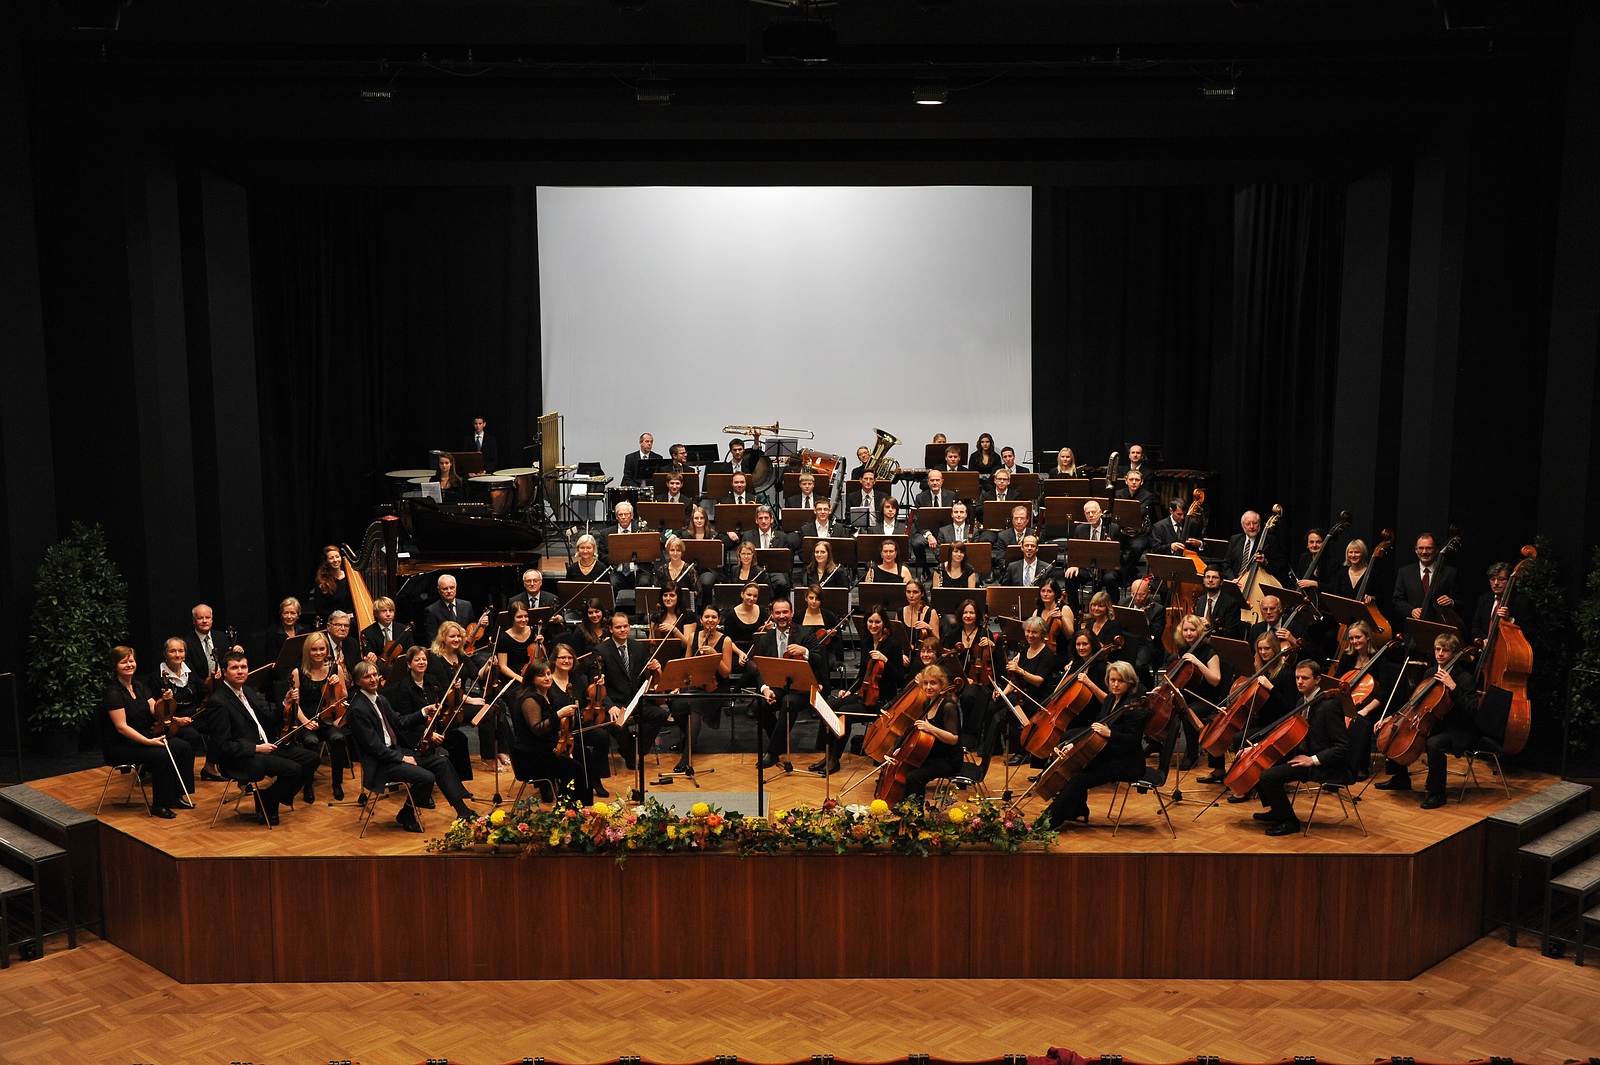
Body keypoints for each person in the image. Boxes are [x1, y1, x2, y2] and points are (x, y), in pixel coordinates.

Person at [348, 659, 475, 829]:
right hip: (381, 763)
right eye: (367, 677)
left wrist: (423, 712)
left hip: (395, 752)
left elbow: (400, 722)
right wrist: (401, 758)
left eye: (375, 675)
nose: (373, 679)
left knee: (441, 762)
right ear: (358, 682)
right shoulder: (358, 709)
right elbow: (373, 747)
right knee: (426, 777)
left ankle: (462, 810)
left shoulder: (380, 699)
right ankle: (407, 813)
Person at [206, 650, 318, 826]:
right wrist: (256, 748)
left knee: (311, 759)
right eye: (234, 668)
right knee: (293, 769)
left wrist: (285, 703)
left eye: (243, 667)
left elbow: (268, 721)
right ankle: (271, 801)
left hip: (265, 746)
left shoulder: (248, 691)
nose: (240, 671)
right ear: (225, 672)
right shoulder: (218, 701)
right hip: (243, 756)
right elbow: (222, 746)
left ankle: (268, 797)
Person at [1246, 659, 1351, 836]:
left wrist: (1312, 760)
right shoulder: (1301, 700)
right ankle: (1278, 810)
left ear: (1317, 679)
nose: (1299, 682)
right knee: (1259, 764)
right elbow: (1285, 734)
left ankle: (1289, 822)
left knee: (1268, 776)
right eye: (1297, 678)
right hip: (1301, 754)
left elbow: (1342, 746)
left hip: (1323, 764)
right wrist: (1256, 747)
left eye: (1305, 678)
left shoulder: (1329, 706)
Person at [1373, 632, 1477, 808]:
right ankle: (1401, 778)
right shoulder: (1430, 673)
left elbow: (1471, 711)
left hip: (1456, 728)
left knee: (1434, 744)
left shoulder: (1465, 679)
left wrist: (1453, 687)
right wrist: (1393, 717)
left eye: (1445, 650)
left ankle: (1437, 793)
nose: (1440, 654)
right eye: (1437, 649)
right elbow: (1413, 702)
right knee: (1394, 730)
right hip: (1431, 722)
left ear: (1454, 654)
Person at [1042, 660, 1149, 828]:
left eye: (1120, 681)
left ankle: (1048, 822)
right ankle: (1077, 809)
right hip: (1108, 754)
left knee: (1079, 778)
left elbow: (1134, 740)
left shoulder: (1133, 708)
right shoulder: (1110, 700)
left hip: (1126, 762)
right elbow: (1095, 728)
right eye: (1112, 680)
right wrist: (1075, 745)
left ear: (1130, 682)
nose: (1115, 684)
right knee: (1075, 766)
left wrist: (1110, 734)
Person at [97, 646, 194, 818]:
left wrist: (165, 701)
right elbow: (121, 727)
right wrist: (148, 742)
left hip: (145, 736)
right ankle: (160, 804)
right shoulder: (113, 693)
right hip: (121, 745)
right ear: (115, 666)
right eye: (123, 662)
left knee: (183, 747)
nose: (129, 665)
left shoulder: (139, 686)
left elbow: (155, 710)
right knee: (161, 755)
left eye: (131, 661)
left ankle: (176, 795)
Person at [825, 607, 908, 773]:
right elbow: (862, 675)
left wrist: (886, 661)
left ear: (884, 623)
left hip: (883, 701)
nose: (874, 625)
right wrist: (849, 691)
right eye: (871, 621)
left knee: (845, 714)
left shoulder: (893, 645)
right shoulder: (866, 642)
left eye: (877, 622)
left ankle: (835, 759)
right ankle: (828, 755)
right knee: (830, 706)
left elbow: (900, 680)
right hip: (865, 694)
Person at [508, 660, 592, 808]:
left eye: (548, 674)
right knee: (574, 769)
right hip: (531, 756)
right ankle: (565, 810)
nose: (547, 678)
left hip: (545, 748)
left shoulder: (547, 695)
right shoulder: (530, 699)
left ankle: (582, 806)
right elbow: (538, 729)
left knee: (584, 754)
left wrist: (565, 748)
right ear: (532, 679)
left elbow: (553, 729)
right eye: (541, 675)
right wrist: (559, 714)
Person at [751, 597, 822, 771]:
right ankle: (780, 742)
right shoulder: (766, 639)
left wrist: (805, 651)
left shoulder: (805, 633)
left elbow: (820, 660)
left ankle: (773, 751)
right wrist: (765, 689)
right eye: (778, 613)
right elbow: (760, 669)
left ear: (791, 613)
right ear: (772, 615)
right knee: (758, 705)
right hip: (778, 686)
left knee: (788, 703)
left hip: (802, 688)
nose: (782, 616)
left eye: (785, 612)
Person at [879, 664, 964, 805]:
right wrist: (903, 749)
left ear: (942, 685)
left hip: (948, 759)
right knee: (905, 767)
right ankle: (903, 808)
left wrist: (930, 728)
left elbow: (953, 739)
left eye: (933, 683)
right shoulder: (928, 703)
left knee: (914, 777)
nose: (928, 687)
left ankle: (916, 813)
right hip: (933, 753)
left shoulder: (948, 706)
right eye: (925, 683)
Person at [284, 630, 351, 802]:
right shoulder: (298, 672)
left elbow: (344, 696)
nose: (318, 653)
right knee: (310, 741)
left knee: (338, 738)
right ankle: (307, 785)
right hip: (306, 719)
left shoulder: (335, 669)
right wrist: (305, 722)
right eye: (314, 649)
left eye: (322, 649)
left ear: (327, 650)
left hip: (328, 718)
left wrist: (338, 684)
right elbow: (295, 704)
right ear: (307, 651)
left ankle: (337, 783)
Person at [597, 610, 668, 772]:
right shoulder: (601, 651)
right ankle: (631, 754)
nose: (623, 630)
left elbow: (644, 673)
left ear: (629, 627)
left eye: (625, 626)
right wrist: (609, 706)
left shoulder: (637, 646)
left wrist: (653, 666)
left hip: (637, 700)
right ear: (611, 629)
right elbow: (597, 684)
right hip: (615, 703)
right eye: (618, 627)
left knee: (660, 714)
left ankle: (634, 750)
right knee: (617, 725)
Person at [1165, 615, 1225, 772]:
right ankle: (1163, 750)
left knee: (1188, 715)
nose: (1188, 633)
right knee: (1170, 713)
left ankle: (1192, 755)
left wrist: (1197, 662)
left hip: (1207, 697)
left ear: (1199, 631)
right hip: (1189, 694)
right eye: (1185, 630)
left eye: (1192, 629)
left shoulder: (1210, 652)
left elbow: (1216, 680)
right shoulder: (1184, 649)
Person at [1002, 616, 1062, 764]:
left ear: (1042, 634)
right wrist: (1002, 692)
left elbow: (1038, 681)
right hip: (1024, 693)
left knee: (1013, 710)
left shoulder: (1047, 655)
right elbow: (1015, 680)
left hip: (1039, 697)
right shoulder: (1024, 650)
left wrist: (1020, 670)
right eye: (1028, 631)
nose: (1030, 635)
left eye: (1034, 632)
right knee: (997, 706)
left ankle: (1022, 752)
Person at [1064, 499, 1122, 602]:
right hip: (1087, 567)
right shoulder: (1080, 529)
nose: (1091, 515)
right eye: (1088, 513)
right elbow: (1075, 551)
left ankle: (1113, 608)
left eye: (1093, 512)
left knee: (1110, 579)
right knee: (1070, 576)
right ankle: (1075, 610)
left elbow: (1120, 552)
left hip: (1107, 567)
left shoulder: (1113, 528)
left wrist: (1110, 547)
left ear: (1100, 512)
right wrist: (1075, 565)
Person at [1392, 532, 1458, 621]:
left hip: (1440, 625)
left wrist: (1451, 602)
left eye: (1429, 548)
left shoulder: (1450, 573)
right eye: (1421, 548)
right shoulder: (1404, 572)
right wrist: (1411, 611)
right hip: (1414, 626)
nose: (1424, 552)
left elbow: (1460, 601)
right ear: (1416, 550)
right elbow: (1397, 600)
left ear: (1437, 550)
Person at [1472, 562, 1534, 644]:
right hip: (1486, 648)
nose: (1496, 583)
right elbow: (1475, 626)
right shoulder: (1484, 599)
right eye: (1492, 579)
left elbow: (1530, 631)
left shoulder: (1521, 601)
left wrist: (1510, 619)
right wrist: (1484, 640)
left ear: (1509, 581)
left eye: (1501, 579)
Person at [1120, 577, 1166, 686]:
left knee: (1139, 666)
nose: (1138, 598)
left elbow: (1158, 633)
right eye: (1134, 594)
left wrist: (1147, 621)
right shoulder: (1123, 603)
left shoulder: (1158, 609)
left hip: (1147, 643)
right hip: (1128, 641)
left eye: (1142, 595)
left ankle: (1146, 687)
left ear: (1148, 593)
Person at [741, 506, 794, 599]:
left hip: (775, 570)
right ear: (756, 520)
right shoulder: (747, 536)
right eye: (760, 518)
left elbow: (787, 560)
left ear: (772, 520)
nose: (763, 521)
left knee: (781, 582)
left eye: (766, 518)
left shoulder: (782, 537)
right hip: (754, 570)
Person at [1223, 510, 1288, 585]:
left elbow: (1281, 565)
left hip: (1256, 584)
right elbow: (1226, 564)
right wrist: (1232, 579)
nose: (1251, 527)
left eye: (1255, 523)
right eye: (1248, 524)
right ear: (1242, 525)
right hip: (1236, 583)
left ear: (1259, 523)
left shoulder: (1269, 540)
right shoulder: (1235, 539)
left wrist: (1266, 562)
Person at [601, 501, 653, 595]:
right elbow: (601, 555)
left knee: (644, 583)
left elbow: (650, 552)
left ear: (632, 516)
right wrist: (617, 558)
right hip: (617, 572)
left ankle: (641, 605)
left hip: (639, 571)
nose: (623, 517)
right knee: (611, 585)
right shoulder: (606, 533)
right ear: (616, 517)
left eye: (626, 514)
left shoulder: (642, 531)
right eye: (620, 514)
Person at [420, 573, 482, 645]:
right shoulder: (431, 610)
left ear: (456, 587)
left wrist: (481, 626)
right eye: (445, 589)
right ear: (439, 590)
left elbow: (472, 629)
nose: (449, 591)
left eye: (452, 587)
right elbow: (433, 640)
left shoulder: (467, 605)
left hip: (467, 648)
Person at [495, 602, 540, 687]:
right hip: (513, 678)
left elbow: (539, 658)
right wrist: (520, 679)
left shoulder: (534, 631)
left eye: (526, 616)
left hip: (531, 674)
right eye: (519, 617)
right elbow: (503, 666)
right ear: (512, 618)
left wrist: (540, 644)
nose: (524, 620)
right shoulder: (503, 638)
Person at [361, 595, 415, 663]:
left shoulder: (405, 630)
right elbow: (369, 654)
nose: (388, 614)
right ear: (376, 614)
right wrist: (371, 656)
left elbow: (411, 653)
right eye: (384, 611)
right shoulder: (367, 633)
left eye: (391, 611)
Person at [310, 544, 355, 623]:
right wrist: (342, 617)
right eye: (331, 558)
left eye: (337, 556)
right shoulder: (321, 581)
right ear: (326, 561)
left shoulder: (350, 577)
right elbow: (320, 610)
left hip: (352, 618)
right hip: (333, 621)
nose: (335, 560)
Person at [1193, 567, 1242, 638]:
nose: (1210, 580)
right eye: (1207, 577)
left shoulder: (1231, 604)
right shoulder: (1200, 601)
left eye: (1215, 577)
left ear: (1221, 582)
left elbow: (1231, 633)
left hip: (1219, 643)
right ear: (1203, 580)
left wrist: (1210, 627)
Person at [183, 603, 226, 679]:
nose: (204, 621)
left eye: (208, 617)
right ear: (194, 621)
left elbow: (227, 661)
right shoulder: (187, 643)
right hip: (200, 684)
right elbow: (190, 672)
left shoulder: (221, 637)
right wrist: (206, 683)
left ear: (212, 619)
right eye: (200, 618)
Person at [1030, 577, 1071, 653]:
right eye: (1043, 591)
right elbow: (1031, 634)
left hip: (1059, 651)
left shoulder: (1064, 609)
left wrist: (1062, 618)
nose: (1045, 594)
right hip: (1040, 651)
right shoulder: (1037, 612)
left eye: (1049, 591)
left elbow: (1070, 635)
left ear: (1055, 594)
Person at [901, 579, 940, 645]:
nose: (911, 595)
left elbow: (937, 642)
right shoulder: (900, 612)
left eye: (915, 592)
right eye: (908, 592)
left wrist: (929, 629)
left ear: (922, 594)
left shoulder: (931, 612)